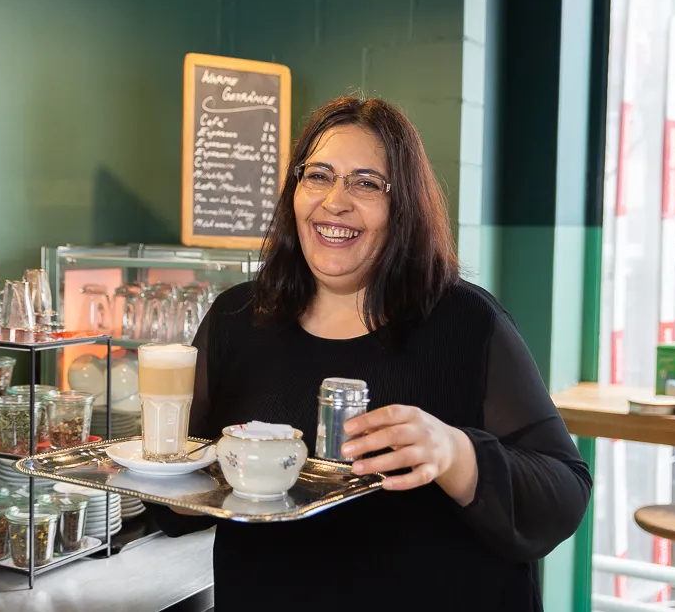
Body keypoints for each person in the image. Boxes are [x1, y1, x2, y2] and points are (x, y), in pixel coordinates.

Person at [151, 96, 592, 611]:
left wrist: (457, 454)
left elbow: (564, 492)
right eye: (317, 175)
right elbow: (185, 498)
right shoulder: (236, 319)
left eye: (366, 183)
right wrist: (161, 471)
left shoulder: (466, 323)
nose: (335, 202)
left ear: (403, 205)